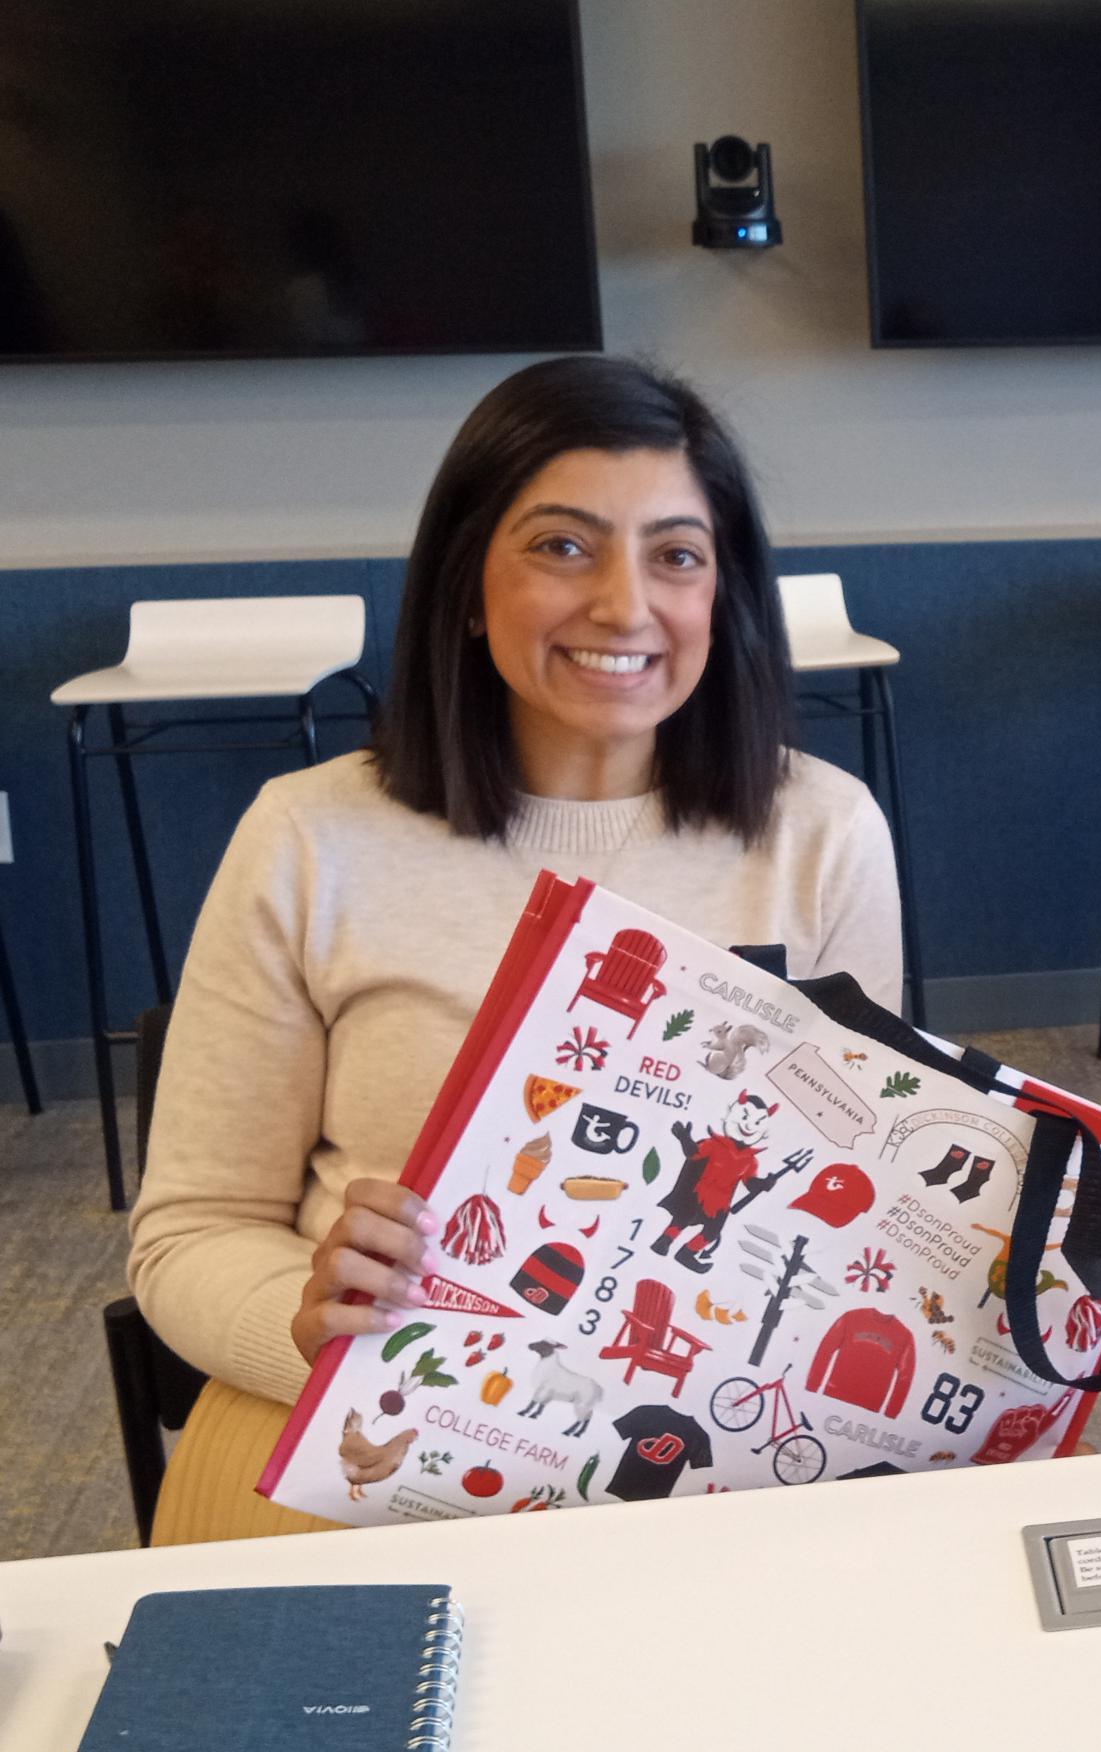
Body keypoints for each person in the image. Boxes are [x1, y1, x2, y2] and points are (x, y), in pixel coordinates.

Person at [127, 356, 903, 1539]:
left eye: (677, 556)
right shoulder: (310, 838)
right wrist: (304, 1317)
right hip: (364, 1431)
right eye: (563, 547)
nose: (626, 607)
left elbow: (859, 1214)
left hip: (702, 1452)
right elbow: (188, 1233)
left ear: (724, 596)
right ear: (467, 587)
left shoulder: (823, 833)